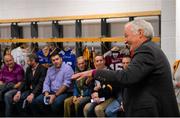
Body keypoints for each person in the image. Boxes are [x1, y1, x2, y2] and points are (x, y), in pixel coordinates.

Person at [72, 19, 179, 116]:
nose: (125, 41)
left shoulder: (146, 50)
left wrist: (95, 73)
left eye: (126, 36)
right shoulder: (150, 49)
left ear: (140, 33)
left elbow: (126, 77)